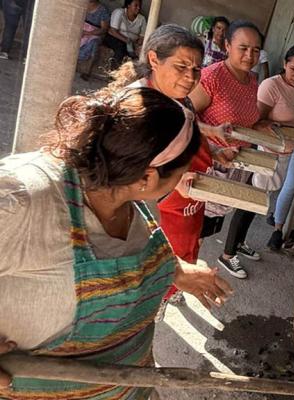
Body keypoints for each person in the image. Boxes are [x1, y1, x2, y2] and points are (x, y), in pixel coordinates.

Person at [0, 87, 232, 399]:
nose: (182, 180)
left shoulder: (127, 191)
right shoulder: (25, 199)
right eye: (181, 172)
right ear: (148, 178)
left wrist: (175, 271)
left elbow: (128, 255)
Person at [104, 24, 235, 302]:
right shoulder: (135, 108)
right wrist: (174, 185)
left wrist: (210, 148)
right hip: (149, 210)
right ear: (153, 59)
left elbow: (187, 134)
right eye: (181, 67)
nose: (190, 77)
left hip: (173, 203)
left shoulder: (179, 100)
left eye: (197, 69)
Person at [189, 20, 265, 279]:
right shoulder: (213, 77)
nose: (249, 55)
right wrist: (212, 137)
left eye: (255, 50)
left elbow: (248, 119)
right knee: (194, 229)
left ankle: (186, 274)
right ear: (227, 45)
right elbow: (184, 118)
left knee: (210, 228)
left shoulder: (252, 80)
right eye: (243, 48)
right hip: (208, 167)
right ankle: (177, 283)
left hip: (235, 167)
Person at [256, 45, 294, 251]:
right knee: (252, 200)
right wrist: (276, 129)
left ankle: (240, 244)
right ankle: (231, 251)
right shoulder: (271, 85)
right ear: (284, 64)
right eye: (293, 70)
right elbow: (257, 121)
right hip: (266, 153)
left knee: (267, 196)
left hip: (286, 153)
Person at [103, 0, 146, 69]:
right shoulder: (119, 12)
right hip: (114, 38)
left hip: (131, 43)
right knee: (121, 49)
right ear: (128, 5)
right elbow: (113, 31)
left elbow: (142, 36)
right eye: (136, 5)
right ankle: (112, 72)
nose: (138, 8)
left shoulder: (142, 19)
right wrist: (127, 41)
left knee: (137, 54)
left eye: (139, 6)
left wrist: (137, 44)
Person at [77, 0, 111, 80]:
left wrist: (88, 33)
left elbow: (104, 29)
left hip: (95, 33)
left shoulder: (102, 10)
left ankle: (87, 71)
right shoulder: (82, 4)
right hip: (82, 29)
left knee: (94, 43)